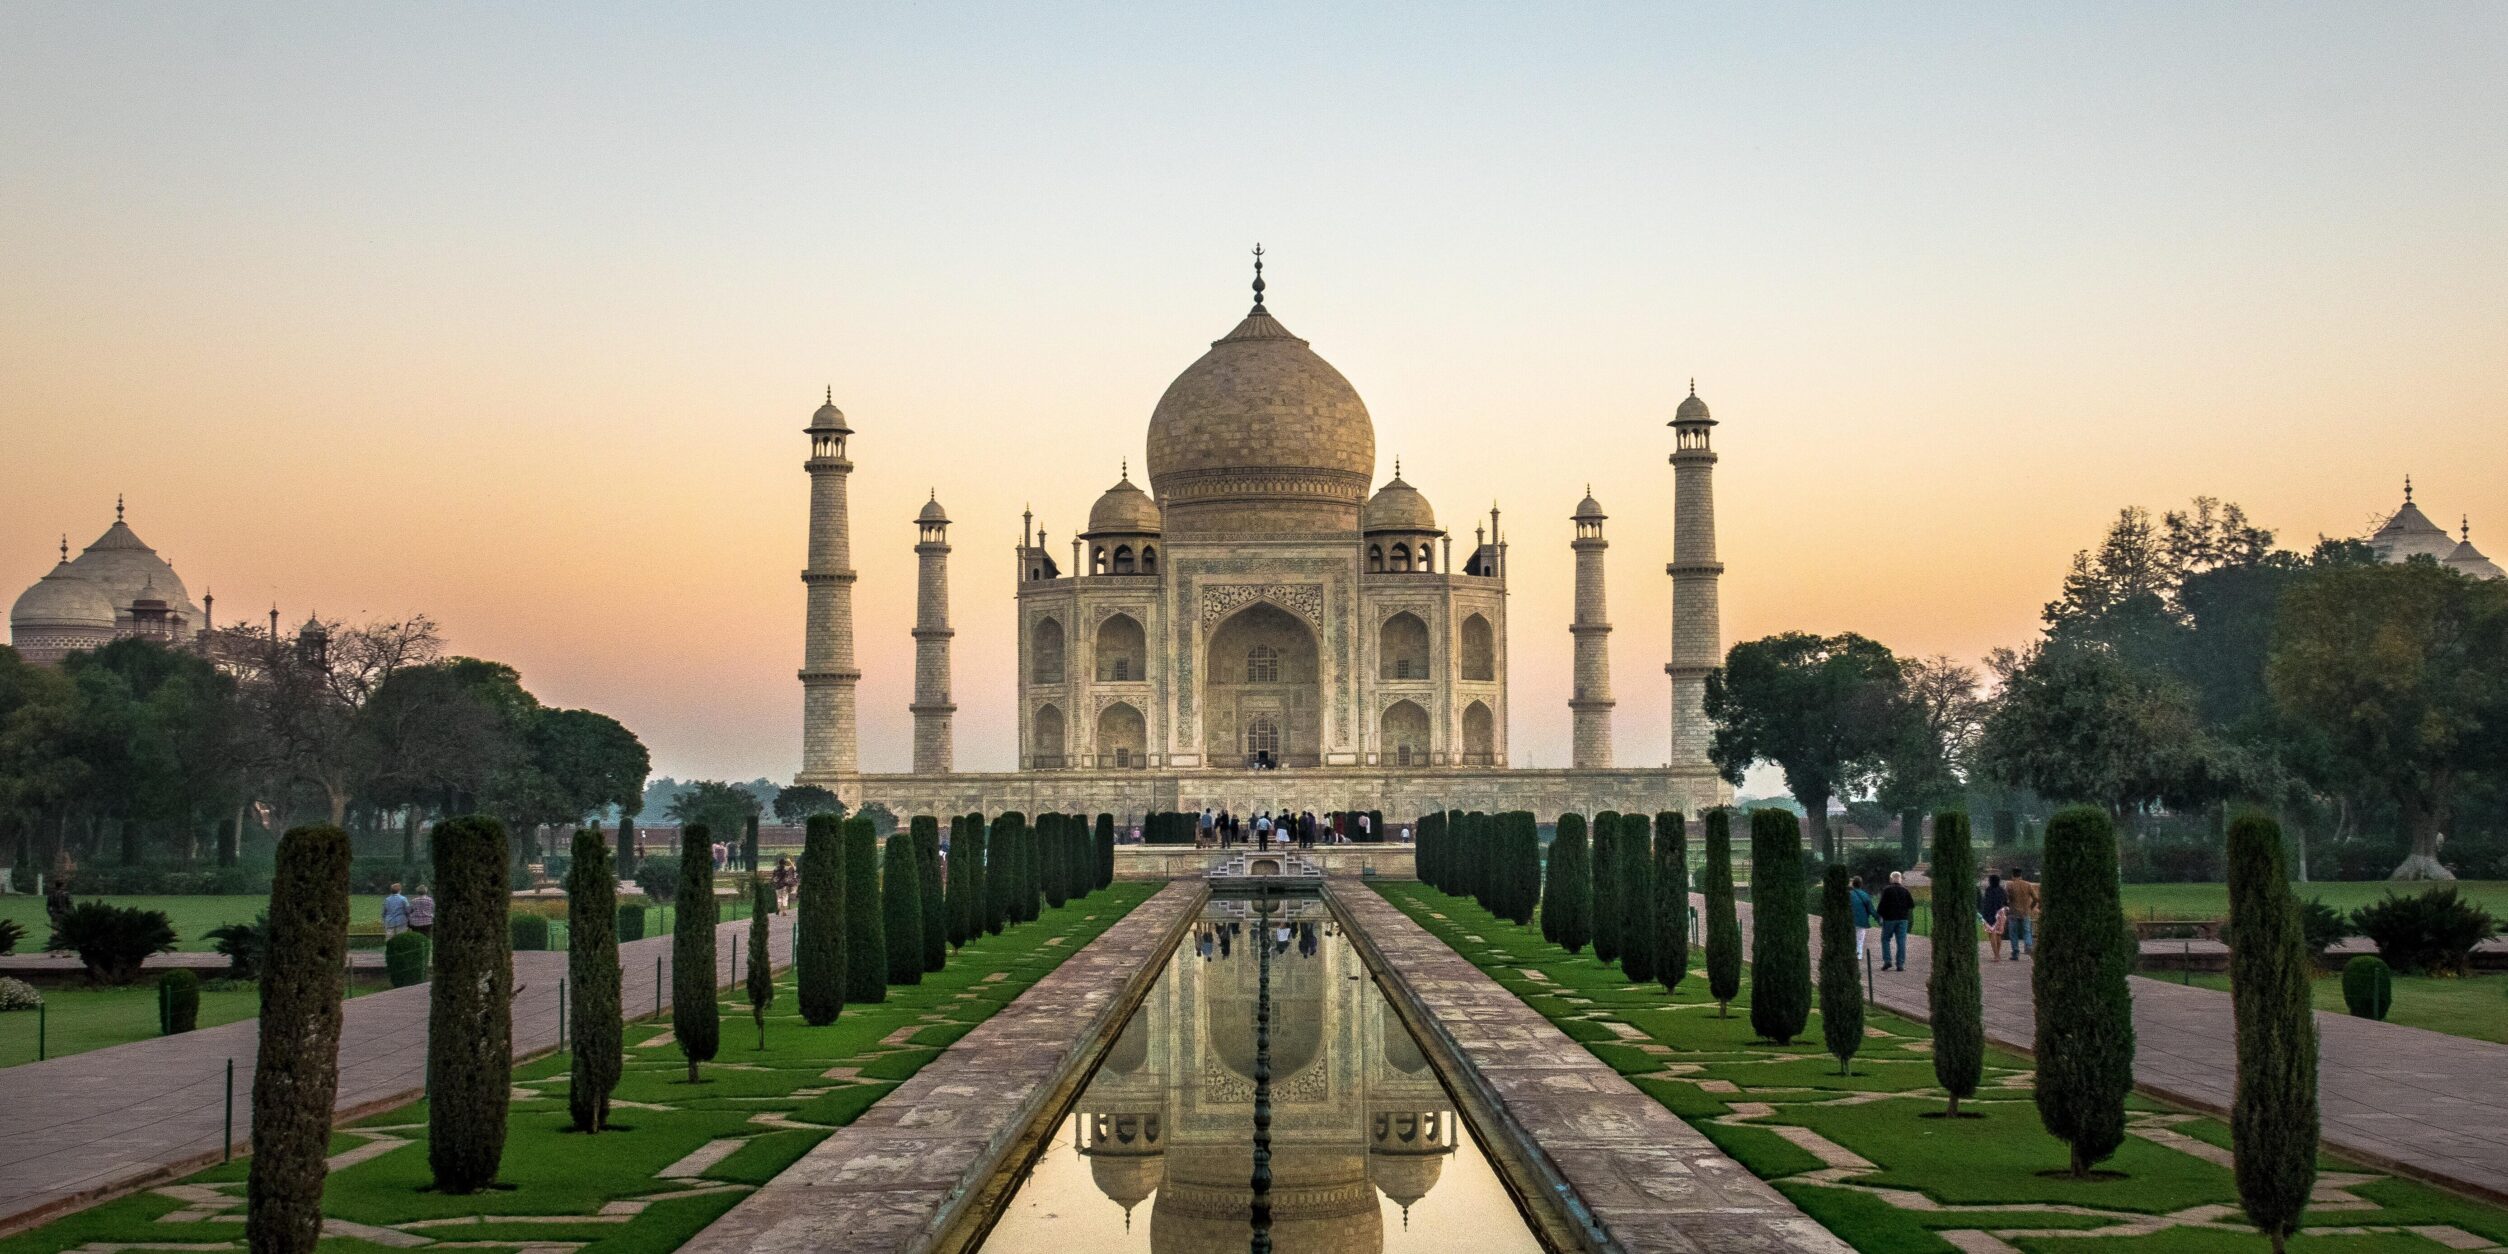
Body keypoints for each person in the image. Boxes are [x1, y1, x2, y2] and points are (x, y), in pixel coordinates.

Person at [1876, 871, 1915, 971]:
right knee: (1901, 941)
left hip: (1889, 919)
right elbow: (1912, 905)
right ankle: (1900, 964)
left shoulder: (1887, 890)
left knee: (1885, 939)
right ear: (1900, 879)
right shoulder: (1905, 891)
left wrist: (1881, 915)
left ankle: (1887, 961)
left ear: (1891, 879)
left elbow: (1881, 906)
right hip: (1902, 919)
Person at [2004, 866, 2038, 959]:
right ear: (2021, 875)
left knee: (2013, 933)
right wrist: (2030, 907)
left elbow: (2006, 899)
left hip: (2013, 912)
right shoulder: (2027, 885)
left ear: (2012, 875)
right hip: (2025, 912)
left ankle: (2015, 952)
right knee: (2027, 931)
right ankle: (2028, 946)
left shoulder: (2009, 885)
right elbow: (2036, 898)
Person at [1980, 873, 2009, 960]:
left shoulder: (1988, 890)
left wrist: (1984, 915)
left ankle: (1996, 955)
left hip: (1990, 914)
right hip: (2001, 914)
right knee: (1999, 934)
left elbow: (1986, 903)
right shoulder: (2002, 890)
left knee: (1991, 934)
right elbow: (2006, 903)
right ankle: (1998, 954)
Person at [1848, 875, 1874, 962]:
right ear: (1861, 884)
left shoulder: (1849, 894)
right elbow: (1871, 909)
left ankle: (1850, 953)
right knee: (1860, 939)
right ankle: (1859, 955)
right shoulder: (1865, 895)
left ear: (1853, 884)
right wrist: (1878, 918)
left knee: (1850, 937)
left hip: (1850, 919)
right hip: (1862, 921)